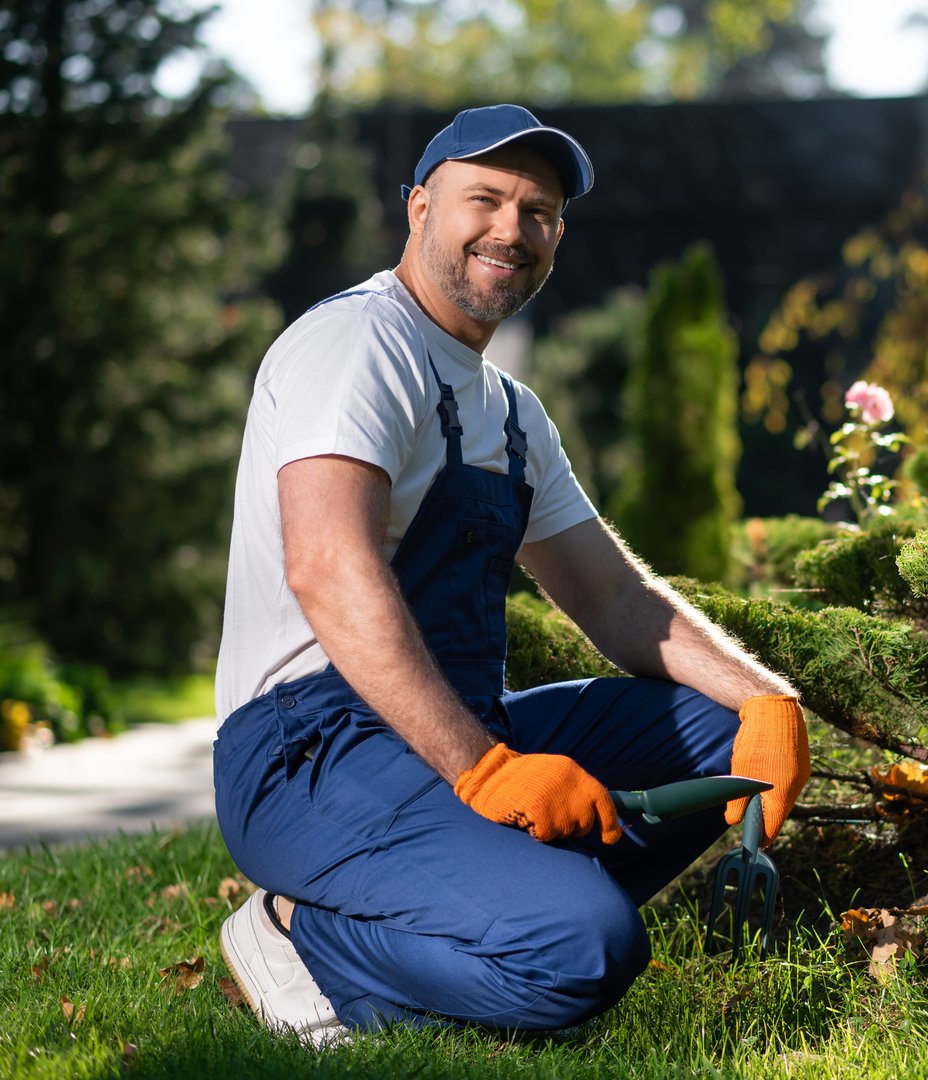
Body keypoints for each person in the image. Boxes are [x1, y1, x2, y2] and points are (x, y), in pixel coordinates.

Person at [213, 104, 809, 1045]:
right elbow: (328, 567)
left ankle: (492, 900)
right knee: (585, 955)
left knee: (718, 726)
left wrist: (768, 700)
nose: (510, 230)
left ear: (557, 236)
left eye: (538, 213)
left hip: (450, 730)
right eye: (483, 199)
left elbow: (612, 597)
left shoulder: (513, 412)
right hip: (309, 756)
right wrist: (485, 770)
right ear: (418, 208)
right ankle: (303, 934)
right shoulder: (358, 345)